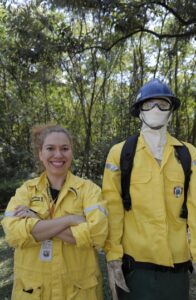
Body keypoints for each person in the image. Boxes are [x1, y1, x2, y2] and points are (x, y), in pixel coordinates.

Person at [102, 78, 196, 300]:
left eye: (163, 104)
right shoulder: (120, 153)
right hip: (135, 269)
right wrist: (113, 257)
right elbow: (113, 210)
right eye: (149, 104)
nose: (156, 109)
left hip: (177, 269)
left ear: (171, 111)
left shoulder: (188, 154)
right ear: (139, 111)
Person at [2, 124, 108, 300]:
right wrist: (70, 220)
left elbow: (96, 235)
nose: (58, 155)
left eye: (64, 148)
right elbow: (13, 234)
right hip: (32, 292)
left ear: (71, 153)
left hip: (79, 292)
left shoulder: (90, 190)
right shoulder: (26, 191)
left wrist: (38, 222)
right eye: (50, 148)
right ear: (41, 154)